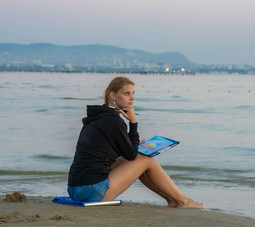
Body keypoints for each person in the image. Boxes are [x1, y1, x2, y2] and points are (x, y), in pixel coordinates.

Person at [67, 76, 205, 208]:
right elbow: (131, 156)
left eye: (133, 93)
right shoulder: (113, 121)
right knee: (146, 160)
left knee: (141, 156)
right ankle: (183, 201)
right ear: (113, 95)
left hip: (76, 189)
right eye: (127, 93)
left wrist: (135, 147)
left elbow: (120, 154)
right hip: (91, 192)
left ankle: (172, 200)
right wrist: (133, 122)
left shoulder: (99, 117)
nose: (132, 97)